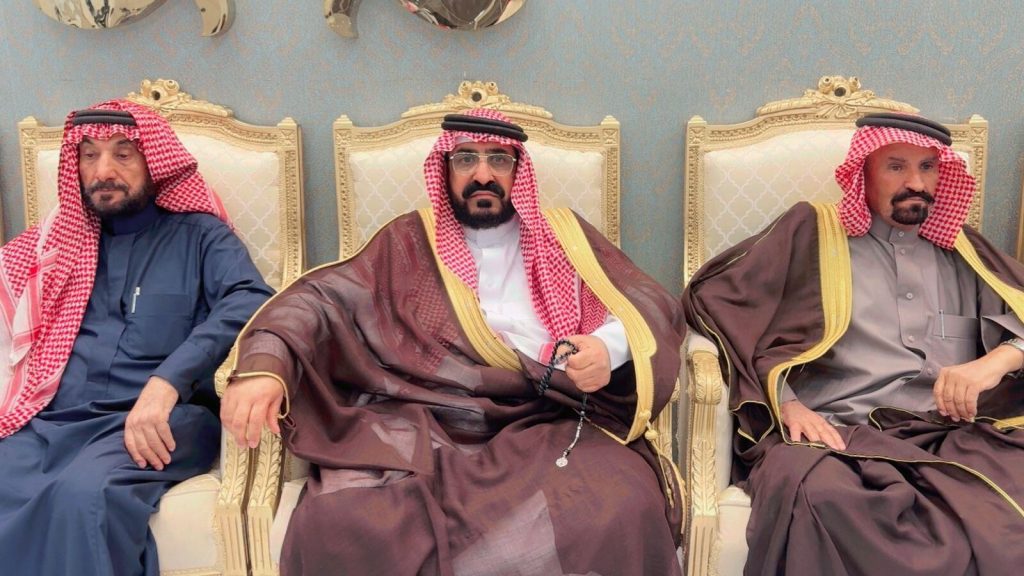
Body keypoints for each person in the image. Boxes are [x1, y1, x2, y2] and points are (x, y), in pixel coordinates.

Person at [222, 108, 685, 575]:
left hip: (548, 416)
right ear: (445, 169)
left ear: (518, 170)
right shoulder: (406, 242)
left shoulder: (564, 235)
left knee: (622, 505)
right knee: (340, 521)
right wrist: (267, 365)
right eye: (466, 159)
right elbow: (319, 301)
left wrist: (608, 348)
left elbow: (646, 302)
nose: (483, 175)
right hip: (426, 417)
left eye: (498, 160)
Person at [683, 112, 1024, 575]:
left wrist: (995, 362)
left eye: (927, 168)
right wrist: (785, 402)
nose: (916, 183)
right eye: (896, 167)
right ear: (863, 173)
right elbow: (715, 301)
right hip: (839, 435)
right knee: (821, 497)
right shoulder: (813, 232)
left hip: (950, 436)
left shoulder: (965, 251)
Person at [0, 100, 274, 576]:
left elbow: (251, 299)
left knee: (83, 498)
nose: (103, 171)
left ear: (153, 162)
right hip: (58, 423)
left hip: (165, 418)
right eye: (89, 155)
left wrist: (168, 381)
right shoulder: (59, 247)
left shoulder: (201, 237)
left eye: (123, 154)